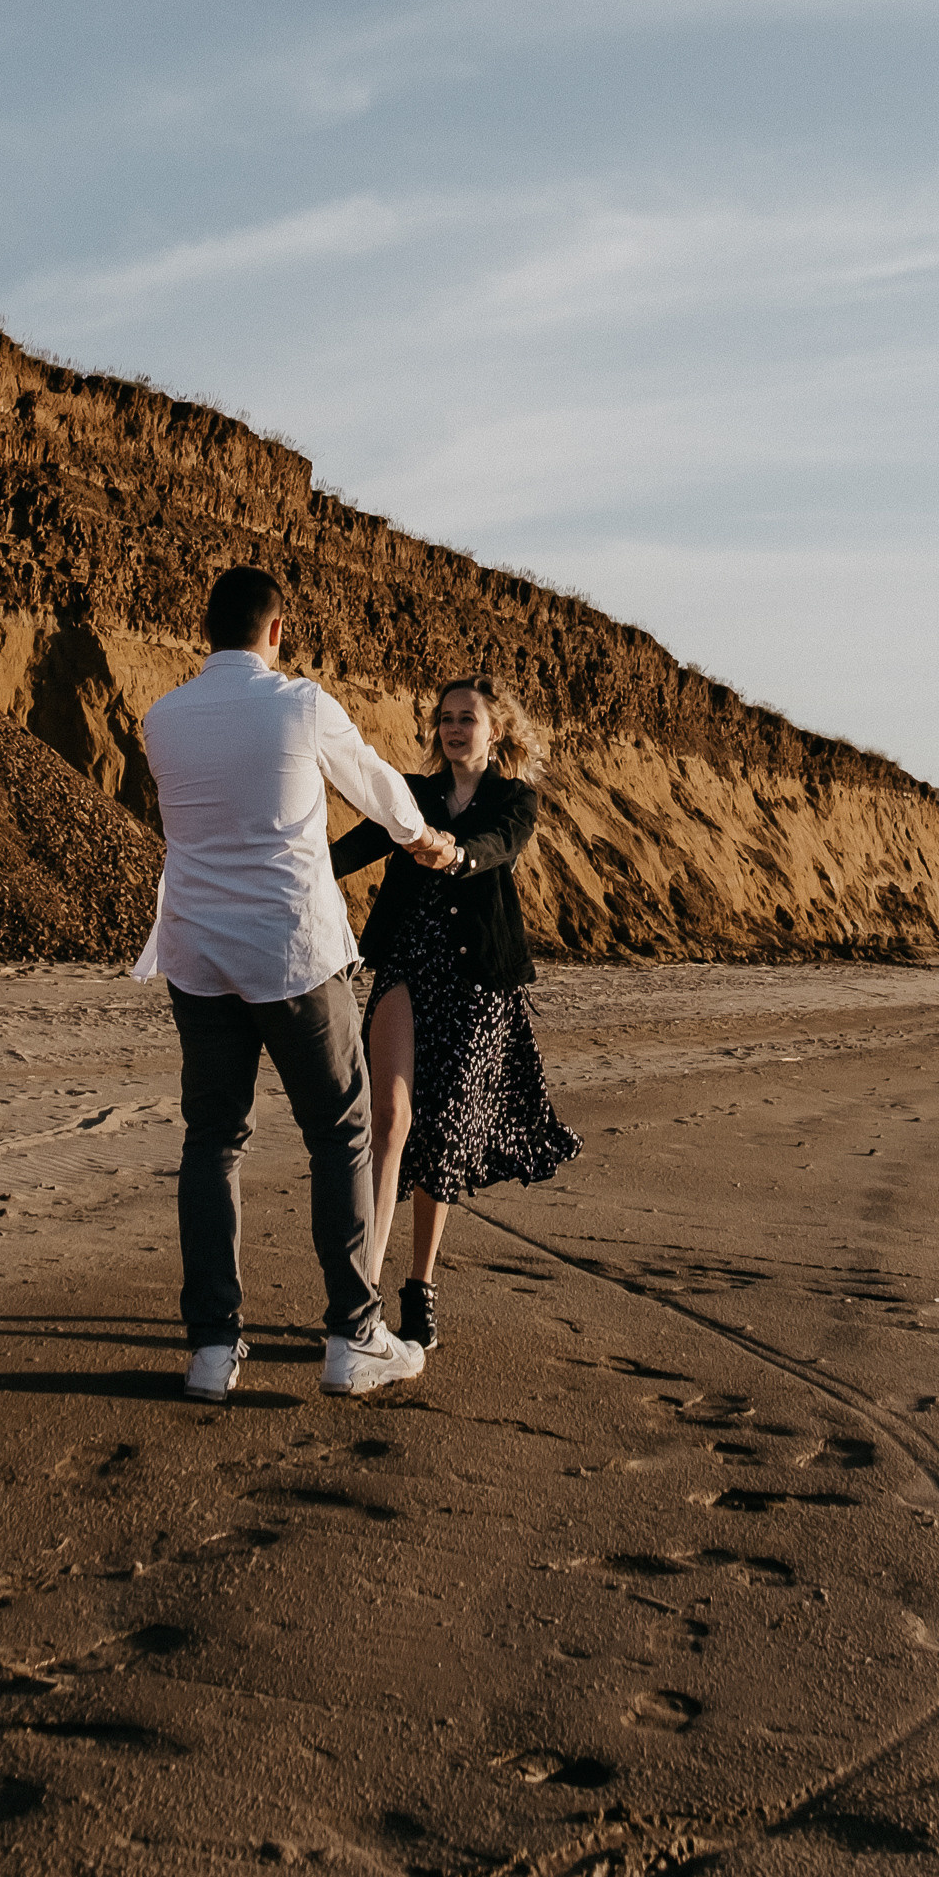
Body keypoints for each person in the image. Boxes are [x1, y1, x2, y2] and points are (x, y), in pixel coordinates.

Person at [133, 563, 454, 1403]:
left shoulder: (160, 718)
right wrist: (423, 840)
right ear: (278, 630)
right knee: (340, 1134)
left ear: (207, 630)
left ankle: (211, 1348)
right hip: (289, 952)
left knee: (212, 1141)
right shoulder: (300, 703)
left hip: (198, 955)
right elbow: (378, 785)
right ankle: (352, 1335)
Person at [335, 672, 580, 1355]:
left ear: (494, 728)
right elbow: (357, 845)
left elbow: (499, 845)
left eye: (466, 717)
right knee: (387, 1117)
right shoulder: (410, 796)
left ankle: (419, 1285)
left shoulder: (514, 798)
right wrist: (300, 868)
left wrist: (455, 852)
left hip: (476, 982)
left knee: (441, 1135)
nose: (452, 727)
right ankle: (363, 1293)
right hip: (407, 965)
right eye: (444, 717)